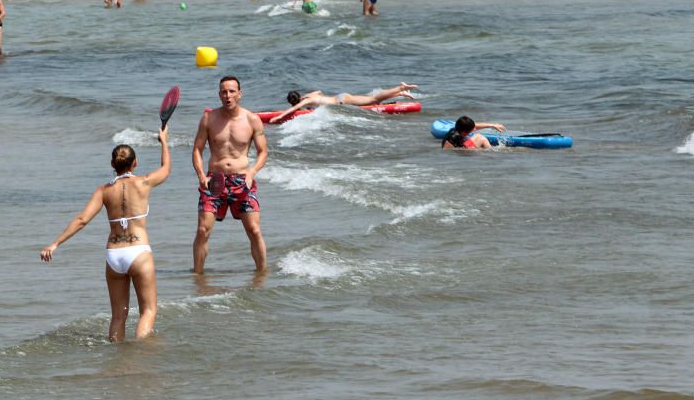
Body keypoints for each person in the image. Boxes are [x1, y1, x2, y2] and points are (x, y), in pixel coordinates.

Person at [40, 128, 171, 342]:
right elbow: (166, 168)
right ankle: (141, 358)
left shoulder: (103, 190)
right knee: (148, 311)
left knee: (118, 316)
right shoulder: (144, 182)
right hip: (139, 252)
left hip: (114, 256)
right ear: (135, 163)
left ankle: (116, 361)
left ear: (112, 165)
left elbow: (82, 220)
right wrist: (164, 142)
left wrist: (55, 244)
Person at [192, 76, 268, 274]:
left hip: (242, 180)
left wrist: (252, 172)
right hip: (213, 181)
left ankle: (262, 275)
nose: (228, 95)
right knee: (202, 231)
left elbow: (263, 152)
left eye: (232, 91)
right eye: (224, 92)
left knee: (254, 231)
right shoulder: (209, 119)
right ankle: (198, 277)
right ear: (219, 94)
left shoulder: (252, 120)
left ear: (239, 94)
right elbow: (197, 150)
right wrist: (201, 175)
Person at [269, 83, 417, 123]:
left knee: (374, 99)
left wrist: (279, 117)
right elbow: (319, 91)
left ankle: (400, 87)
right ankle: (399, 93)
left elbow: (293, 109)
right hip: (340, 97)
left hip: (342, 100)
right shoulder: (309, 97)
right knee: (372, 100)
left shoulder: (306, 101)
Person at [441, 116, 505, 150]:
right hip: (462, 152)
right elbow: (446, 151)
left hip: (462, 147)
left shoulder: (458, 128)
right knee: (480, 137)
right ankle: (490, 151)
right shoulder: (452, 138)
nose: (474, 129)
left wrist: (493, 125)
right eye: (471, 130)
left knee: (478, 138)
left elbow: (475, 126)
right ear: (464, 132)